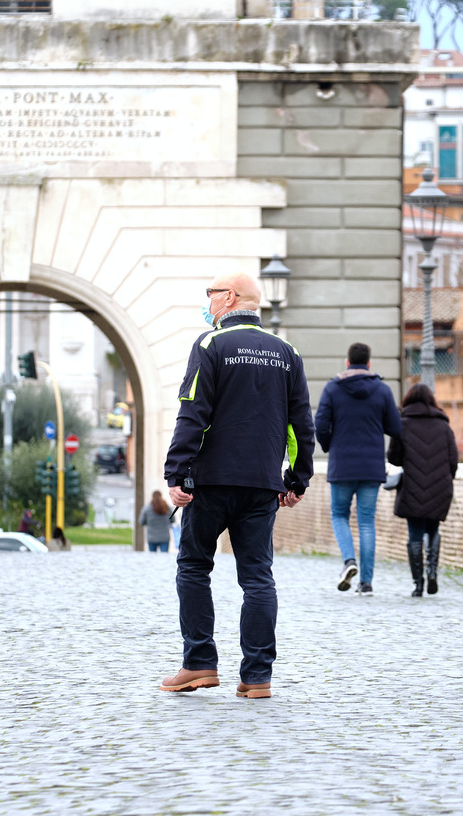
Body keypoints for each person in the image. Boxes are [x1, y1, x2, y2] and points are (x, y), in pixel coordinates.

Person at [160, 271, 314, 700]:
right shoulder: (287, 353)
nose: (207, 301)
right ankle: (257, 676)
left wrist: (177, 472)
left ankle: (199, 663)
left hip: (210, 481)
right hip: (262, 484)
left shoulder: (210, 345)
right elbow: (301, 424)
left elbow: (192, 411)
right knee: (258, 577)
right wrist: (297, 479)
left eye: (210, 294)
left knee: (194, 567)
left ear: (228, 297)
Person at [314, 342, 403, 596]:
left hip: (342, 464)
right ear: (369, 363)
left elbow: (320, 424)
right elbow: (396, 428)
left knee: (339, 515)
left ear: (347, 362)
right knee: (366, 521)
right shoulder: (382, 390)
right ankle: (366, 583)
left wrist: (329, 446)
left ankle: (348, 561)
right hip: (371, 467)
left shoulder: (333, 388)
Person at [388, 383, 458, 597]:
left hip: (413, 486)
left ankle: (418, 584)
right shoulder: (444, 426)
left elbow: (394, 458)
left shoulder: (402, 424)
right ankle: (432, 572)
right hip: (440, 486)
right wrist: (445, 480)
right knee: (433, 529)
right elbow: (453, 460)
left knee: (415, 534)